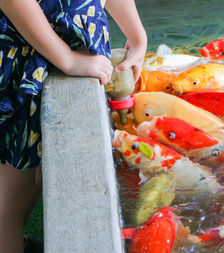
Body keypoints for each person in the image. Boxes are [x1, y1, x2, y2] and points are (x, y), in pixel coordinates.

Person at [0, 0, 147, 251]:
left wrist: (137, 35)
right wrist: (67, 59)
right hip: (24, 63)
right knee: (9, 197)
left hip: (48, 56)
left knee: (34, 173)